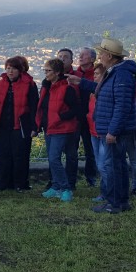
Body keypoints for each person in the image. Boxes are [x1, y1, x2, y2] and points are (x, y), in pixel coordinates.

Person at [70, 38, 136, 214]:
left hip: (113, 130)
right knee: (117, 166)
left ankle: (114, 203)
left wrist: (112, 131)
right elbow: (106, 91)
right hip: (111, 128)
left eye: (101, 53)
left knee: (114, 167)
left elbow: (122, 105)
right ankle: (119, 201)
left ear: (109, 55)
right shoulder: (116, 72)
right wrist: (81, 82)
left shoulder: (121, 75)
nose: (99, 56)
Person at [35, 58, 78, 203]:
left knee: (54, 158)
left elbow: (75, 109)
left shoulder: (67, 89)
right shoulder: (47, 88)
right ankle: (56, 186)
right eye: (45, 71)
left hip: (61, 128)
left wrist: (60, 117)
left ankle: (65, 188)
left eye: (48, 71)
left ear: (57, 72)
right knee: (52, 159)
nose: (46, 74)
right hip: (49, 128)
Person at [0, 57, 39, 192]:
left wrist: (34, 127)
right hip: (2, 125)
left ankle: (20, 184)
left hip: (21, 125)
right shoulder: (0, 84)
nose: (10, 71)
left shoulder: (29, 84)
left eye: (13, 68)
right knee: (3, 155)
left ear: (20, 70)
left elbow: (34, 106)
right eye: (8, 68)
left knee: (21, 155)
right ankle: (4, 183)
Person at [54, 48, 82, 190]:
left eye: (66, 57)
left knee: (71, 153)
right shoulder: (52, 77)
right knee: (55, 154)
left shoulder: (77, 76)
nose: (63, 59)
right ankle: (56, 182)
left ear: (71, 61)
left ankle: (70, 182)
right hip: (55, 122)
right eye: (60, 57)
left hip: (72, 121)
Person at [75, 47, 98, 188]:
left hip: (90, 118)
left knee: (91, 150)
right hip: (76, 117)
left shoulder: (97, 75)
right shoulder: (74, 73)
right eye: (80, 54)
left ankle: (91, 178)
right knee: (72, 150)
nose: (81, 56)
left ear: (92, 59)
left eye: (84, 55)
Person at [87, 63, 110, 203]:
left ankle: (109, 192)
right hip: (93, 131)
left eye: (97, 74)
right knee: (99, 163)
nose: (94, 76)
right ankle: (104, 191)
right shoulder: (93, 93)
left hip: (103, 132)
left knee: (103, 164)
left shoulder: (106, 92)